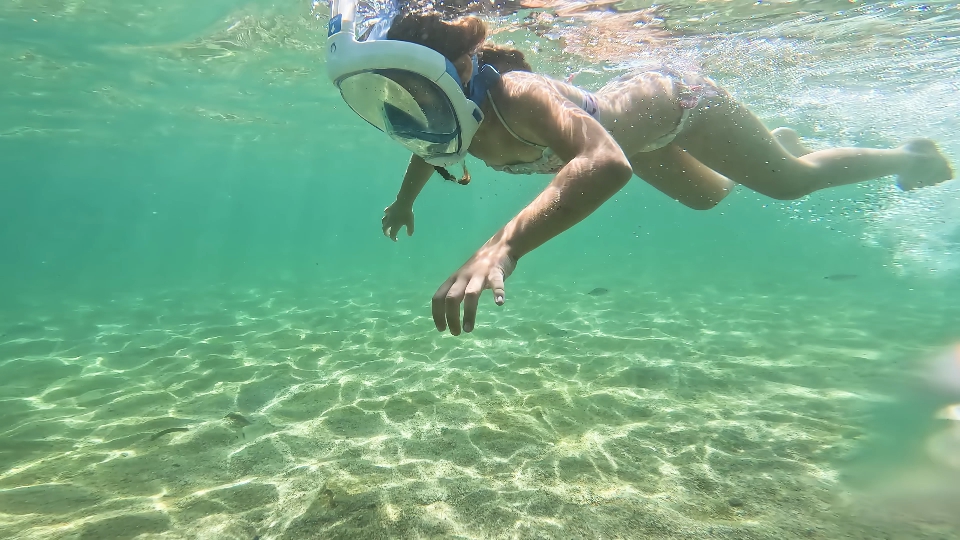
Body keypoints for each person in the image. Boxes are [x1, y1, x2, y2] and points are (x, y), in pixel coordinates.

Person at [326, 6, 954, 336]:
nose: (413, 113)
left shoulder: (514, 96)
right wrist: (405, 201)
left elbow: (604, 163)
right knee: (708, 198)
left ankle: (912, 156)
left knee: (790, 182)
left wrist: (505, 245)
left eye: (419, 92)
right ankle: (766, 146)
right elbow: (426, 146)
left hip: (682, 104)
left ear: (459, 68)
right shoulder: (445, 114)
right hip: (639, 136)